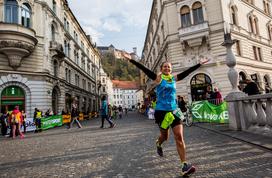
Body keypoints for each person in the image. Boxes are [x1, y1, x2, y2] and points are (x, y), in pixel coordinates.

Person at [128, 57, 209, 176]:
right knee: (165, 137)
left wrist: (199, 64)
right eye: (165, 66)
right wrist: (131, 60)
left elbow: (186, 72)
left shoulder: (173, 79)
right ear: (161, 69)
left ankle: (184, 165)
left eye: (169, 67)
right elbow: (144, 69)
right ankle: (158, 143)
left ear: (171, 69)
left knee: (179, 137)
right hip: (161, 112)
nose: (167, 68)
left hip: (174, 110)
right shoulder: (158, 79)